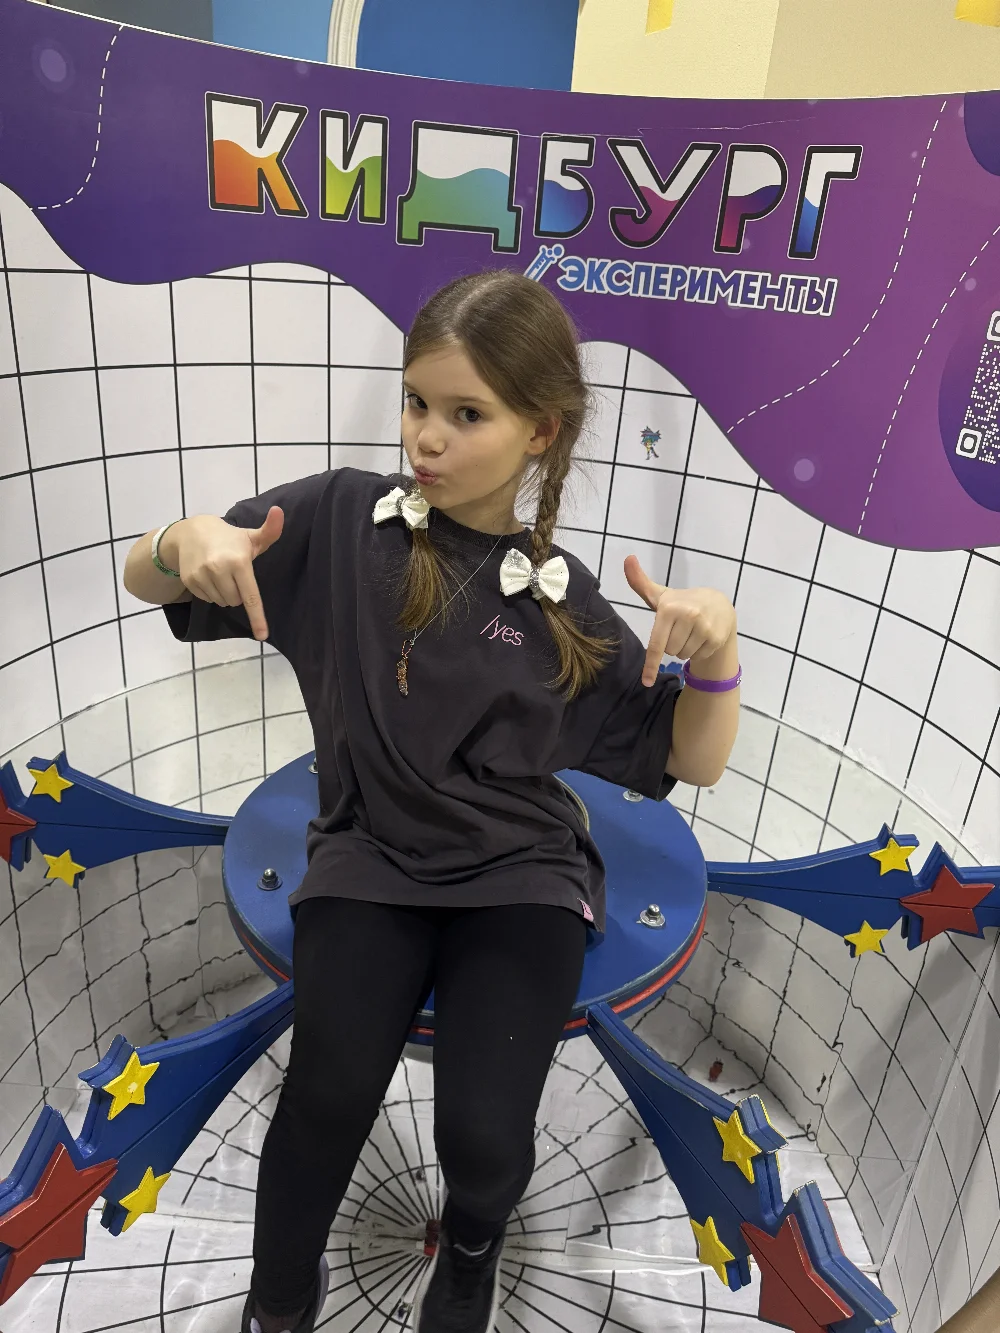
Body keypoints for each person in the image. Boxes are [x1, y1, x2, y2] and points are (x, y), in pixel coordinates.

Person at [122, 269, 740, 1333]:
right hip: (368, 854)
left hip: (520, 874)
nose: (428, 437)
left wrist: (720, 654)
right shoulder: (337, 522)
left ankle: (469, 1255)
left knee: (484, 1137)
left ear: (540, 431)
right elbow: (152, 581)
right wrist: (183, 541)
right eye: (417, 402)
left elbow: (688, 757)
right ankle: (280, 1297)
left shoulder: (561, 600)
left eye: (467, 414)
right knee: (324, 1096)